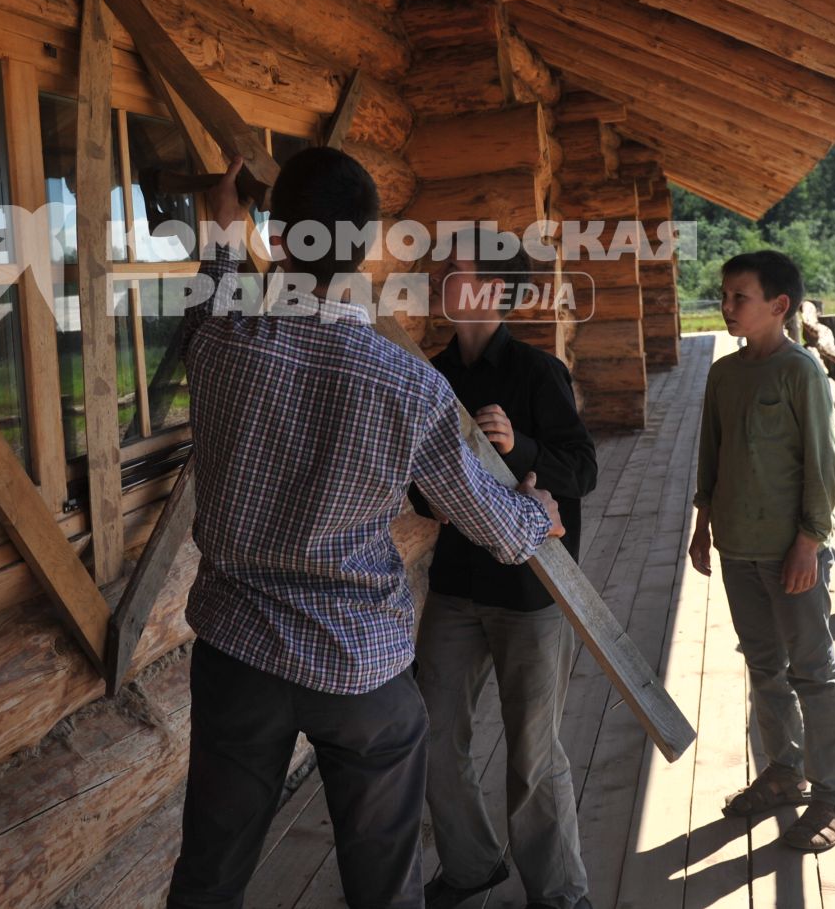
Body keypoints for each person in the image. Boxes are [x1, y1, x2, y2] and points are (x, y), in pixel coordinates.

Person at [167, 150, 565, 909]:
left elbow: (207, 302)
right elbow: (494, 523)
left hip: (237, 657)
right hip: (359, 667)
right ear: (366, 247)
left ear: (281, 240)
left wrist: (225, 227)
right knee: (385, 888)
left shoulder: (221, 345)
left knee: (210, 873)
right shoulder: (409, 383)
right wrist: (537, 516)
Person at [412, 248, 598, 909]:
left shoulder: (539, 371)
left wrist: (519, 447)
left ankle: (559, 894)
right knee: (429, 732)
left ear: (492, 290)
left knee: (533, 753)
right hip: (457, 586)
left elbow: (583, 470)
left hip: (531, 592)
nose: (438, 279)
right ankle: (469, 865)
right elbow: (421, 490)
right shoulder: (430, 377)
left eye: (453, 270)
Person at [688, 250, 835, 853]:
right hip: (737, 548)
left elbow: (823, 465)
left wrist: (809, 542)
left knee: (813, 671)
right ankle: (784, 773)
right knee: (765, 668)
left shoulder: (800, 371)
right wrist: (703, 524)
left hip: (791, 551)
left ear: (779, 306)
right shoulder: (725, 374)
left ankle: (834, 795)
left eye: (740, 297)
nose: (727, 306)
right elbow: (713, 452)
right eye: (725, 296)